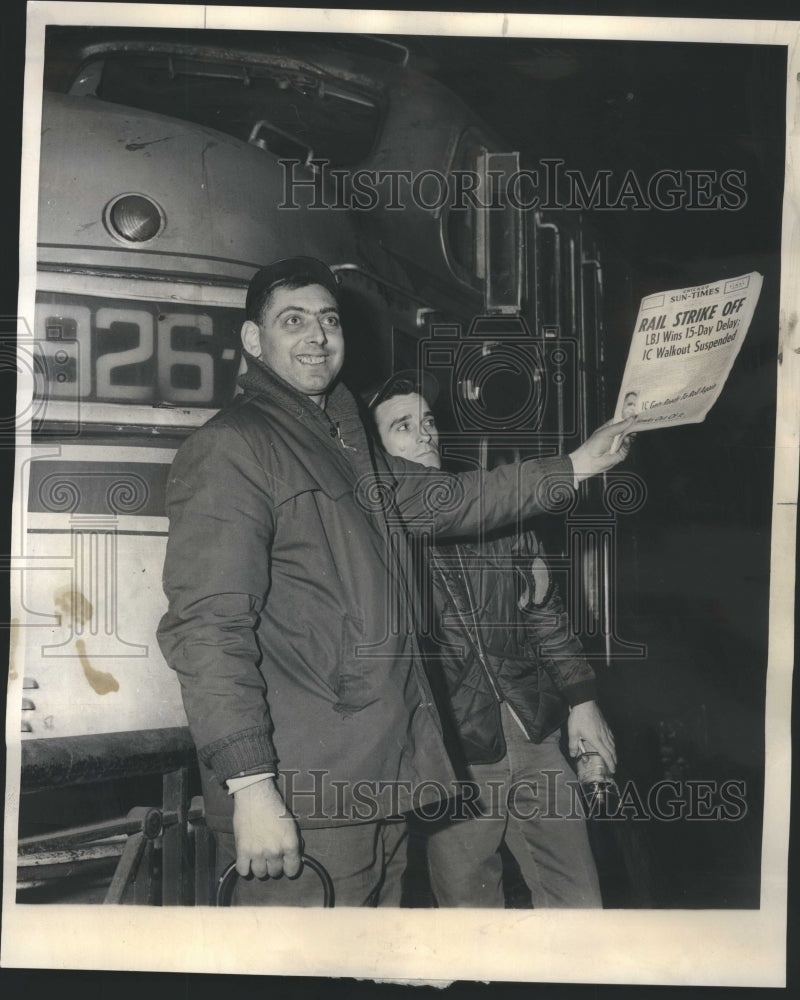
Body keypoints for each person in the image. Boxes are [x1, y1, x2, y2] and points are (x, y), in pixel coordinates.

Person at [157, 257, 635, 906]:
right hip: (305, 794)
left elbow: (458, 499)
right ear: (252, 341)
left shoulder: (345, 448)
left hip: (378, 785)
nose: (317, 336)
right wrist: (249, 785)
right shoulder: (235, 448)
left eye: (328, 320)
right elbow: (208, 628)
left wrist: (577, 464)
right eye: (292, 321)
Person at [368, 372, 617, 908]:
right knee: (471, 923)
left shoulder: (495, 511)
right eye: (403, 427)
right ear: (376, 450)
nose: (425, 434)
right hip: (452, 759)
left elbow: (544, 614)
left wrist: (583, 702)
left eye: (428, 421)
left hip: (534, 732)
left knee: (581, 908)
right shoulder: (371, 534)